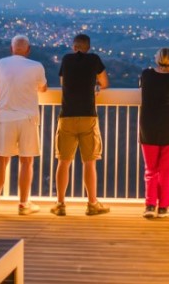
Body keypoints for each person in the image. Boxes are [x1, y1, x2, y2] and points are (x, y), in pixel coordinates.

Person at [0, 35, 48, 215]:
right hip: (28, 117)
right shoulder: (36, 66)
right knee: (26, 160)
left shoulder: (0, 64)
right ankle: (23, 204)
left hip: (6, 116)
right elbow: (43, 88)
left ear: (11, 48)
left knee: (1, 159)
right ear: (28, 50)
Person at [53, 33, 110, 216]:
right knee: (89, 162)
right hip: (88, 116)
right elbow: (105, 83)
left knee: (63, 162)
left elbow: (63, 82)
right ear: (88, 47)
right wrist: (95, 86)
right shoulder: (94, 59)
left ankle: (60, 204)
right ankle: (92, 204)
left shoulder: (67, 59)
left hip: (67, 116)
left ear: (73, 46)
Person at [139, 48, 169, 219]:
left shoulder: (146, 75)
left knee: (150, 169)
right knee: (167, 170)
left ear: (157, 59)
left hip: (148, 126)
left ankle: (150, 205)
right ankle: (164, 207)